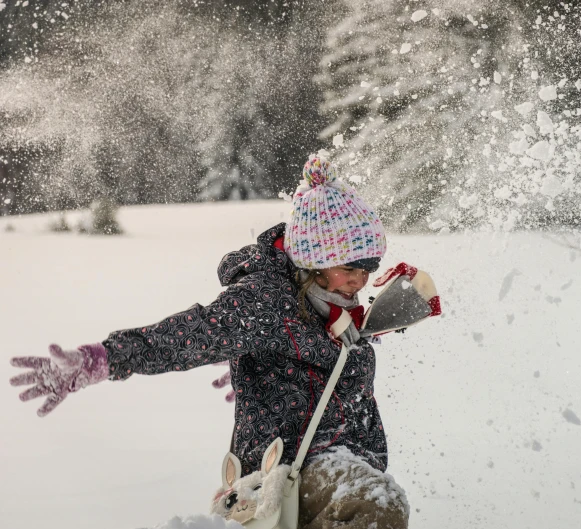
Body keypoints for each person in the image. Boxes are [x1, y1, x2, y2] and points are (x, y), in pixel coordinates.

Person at [8, 154, 434, 529]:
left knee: (375, 502)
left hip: (340, 466)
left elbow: (324, 361)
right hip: (294, 470)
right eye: (349, 268)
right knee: (377, 505)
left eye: (367, 268)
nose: (359, 281)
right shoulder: (266, 301)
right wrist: (105, 358)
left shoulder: (335, 308)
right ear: (313, 262)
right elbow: (190, 334)